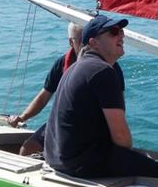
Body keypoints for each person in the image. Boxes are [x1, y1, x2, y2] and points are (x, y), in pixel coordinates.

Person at [43, 14, 158, 179]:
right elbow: (121, 138)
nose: (121, 35)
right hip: (80, 164)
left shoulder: (74, 68)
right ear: (94, 42)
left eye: (121, 31)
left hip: (57, 159)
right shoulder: (102, 71)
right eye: (113, 32)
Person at [9, 21, 125, 156]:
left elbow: (118, 108)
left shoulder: (108, 69)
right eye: (82, 39)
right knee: (27, 149)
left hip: (93, 125)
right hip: (65, 123)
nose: (85, 43)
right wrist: (22, 117)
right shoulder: (63, 63)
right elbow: (43, 97)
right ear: (71, 42)